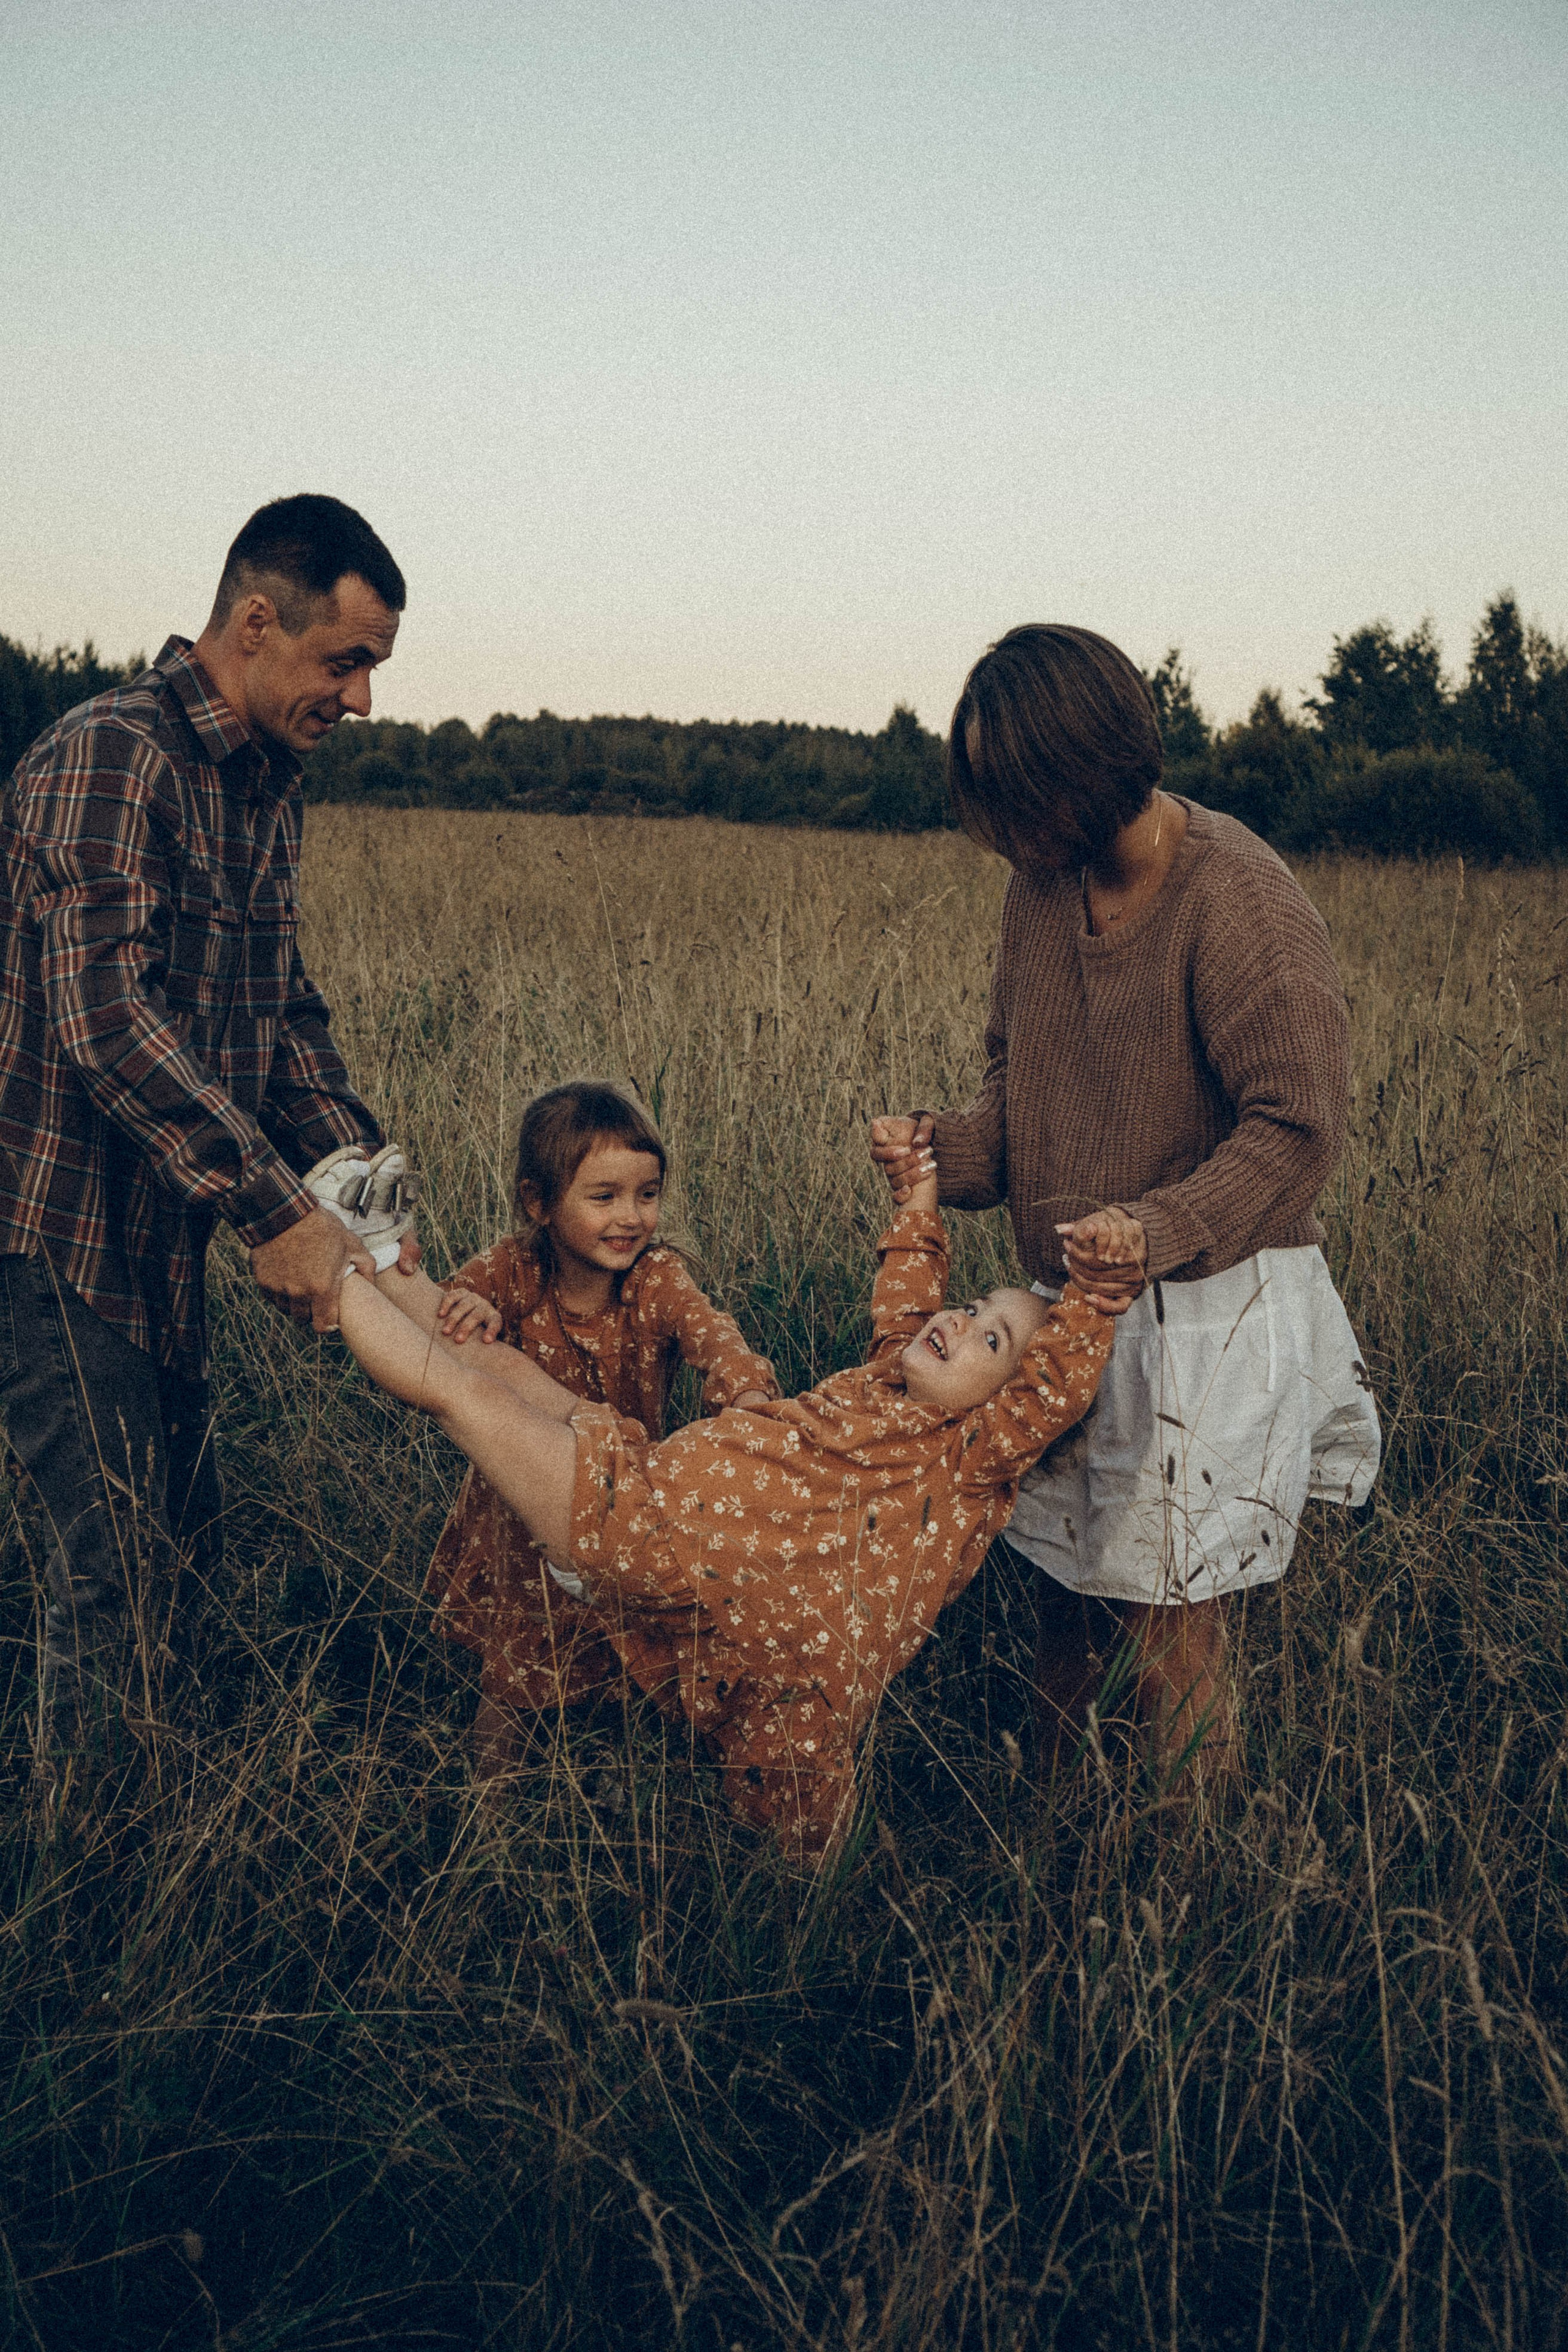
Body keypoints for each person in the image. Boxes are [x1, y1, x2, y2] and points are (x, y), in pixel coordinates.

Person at [872, 623, 1381, 1791]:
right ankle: (1060, 1854)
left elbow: (1298, 1131)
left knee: (1165, 1635)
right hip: (1065, 1313)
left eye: (1019, 794)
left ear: (1090, 768)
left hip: (1203, 1318)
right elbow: (1023, 1091)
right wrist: (936, 1153)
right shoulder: (1041, 888)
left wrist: (1152, 1231)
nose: (1004, 829)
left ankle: (1202, 1897)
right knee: (1061, 1600)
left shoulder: (1239, 898)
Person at [324, 1143, 1124, 1858]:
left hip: (652, 1541)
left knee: (474, 1402)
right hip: (650, 1484)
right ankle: (384, 1250)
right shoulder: (893, 1389)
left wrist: (1093, 1295)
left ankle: (329, 1266)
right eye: (978, 1306)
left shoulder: (963, 1459)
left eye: (993, 1341)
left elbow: (1051, 1387)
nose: (963, 1318)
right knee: (513, 1376)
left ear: (1009, 1414)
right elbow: (907, 1301)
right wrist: (916, 1196)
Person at [0, 493, 411, 1771]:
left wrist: (358, 1190)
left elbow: (275, 1010)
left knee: (183, 1552)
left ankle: (167, 1835)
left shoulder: (269, 785)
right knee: (112, 1580)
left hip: (162, 1231)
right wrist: (274, 1212)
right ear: (252, 622)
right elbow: (104, 1018)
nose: (360, 700)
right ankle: (82, 1908)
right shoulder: (109, 756)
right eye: (344, 661)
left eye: (372, 670)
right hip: (56, 1234)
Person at [424, 1079, 780, 1773]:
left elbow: (714, 1335)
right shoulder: (511, 1271)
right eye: (604, 1197)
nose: (631, 1218)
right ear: (539, 1202)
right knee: (519, 1671)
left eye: (647, 1194)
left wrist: (746, 1398)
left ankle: (614, 1784)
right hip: (523, 1509)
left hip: (625, 1500)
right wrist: (469, 1313)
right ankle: (487, 1815)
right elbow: (442, 1315)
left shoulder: (656, 1280)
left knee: (629, 1643)